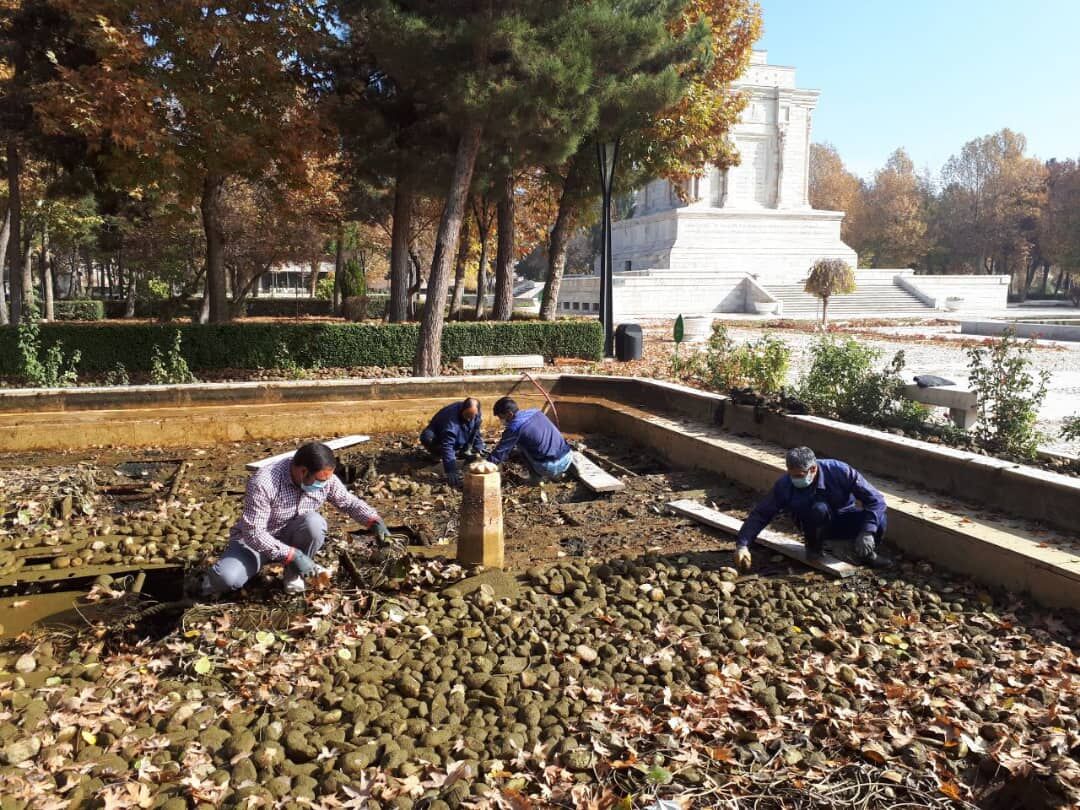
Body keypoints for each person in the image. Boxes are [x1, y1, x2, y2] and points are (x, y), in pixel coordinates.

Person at [200, 442, 390, 596]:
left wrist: (374, 521)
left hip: (291, 534)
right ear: (302, 472)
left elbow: (349, 503)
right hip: (253, 544)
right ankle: (214, 578)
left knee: (315, 523)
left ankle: (293, 574)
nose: (324, 484)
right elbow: (254, 533)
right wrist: (293, 555)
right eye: (320, 480)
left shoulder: (325, 479)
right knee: (227, 578)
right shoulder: (264, 482)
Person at [734, 446, 891, 571]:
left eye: (800, 475)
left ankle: (866, 554)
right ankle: (815, 547)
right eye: (792, 475)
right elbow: (761, 514)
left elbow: (876, 500)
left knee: (879, 518)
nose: (795, 479)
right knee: (819, 509)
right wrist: (743, 545)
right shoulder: (785, 485)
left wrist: (867, 531)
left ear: (813, 469)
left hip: (844, 516)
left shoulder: (840, 472)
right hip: (813, 524)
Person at [487, 396, 574, 484]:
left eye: (501, 417)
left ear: (510, 414)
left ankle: (536, 479)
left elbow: (499, 453)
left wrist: (485, 464)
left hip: (549, 467)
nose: (501, 420)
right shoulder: (536, 412)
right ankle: (558, 474)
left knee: (520, 447)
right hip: (568, 457)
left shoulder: (514, 428)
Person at [420, 397, 485, 487]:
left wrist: (479, 446)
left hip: (460, 433)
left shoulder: (475, 413)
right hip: (438, 436)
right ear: (463, 410)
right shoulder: (451, 419)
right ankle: (438, 454)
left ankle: (463, 451)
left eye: (472, 417)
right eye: (467, 416)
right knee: (427, 438)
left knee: (467, 434)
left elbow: (476, 430)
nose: (469, 419)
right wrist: (451, 470)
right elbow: (447, 445)